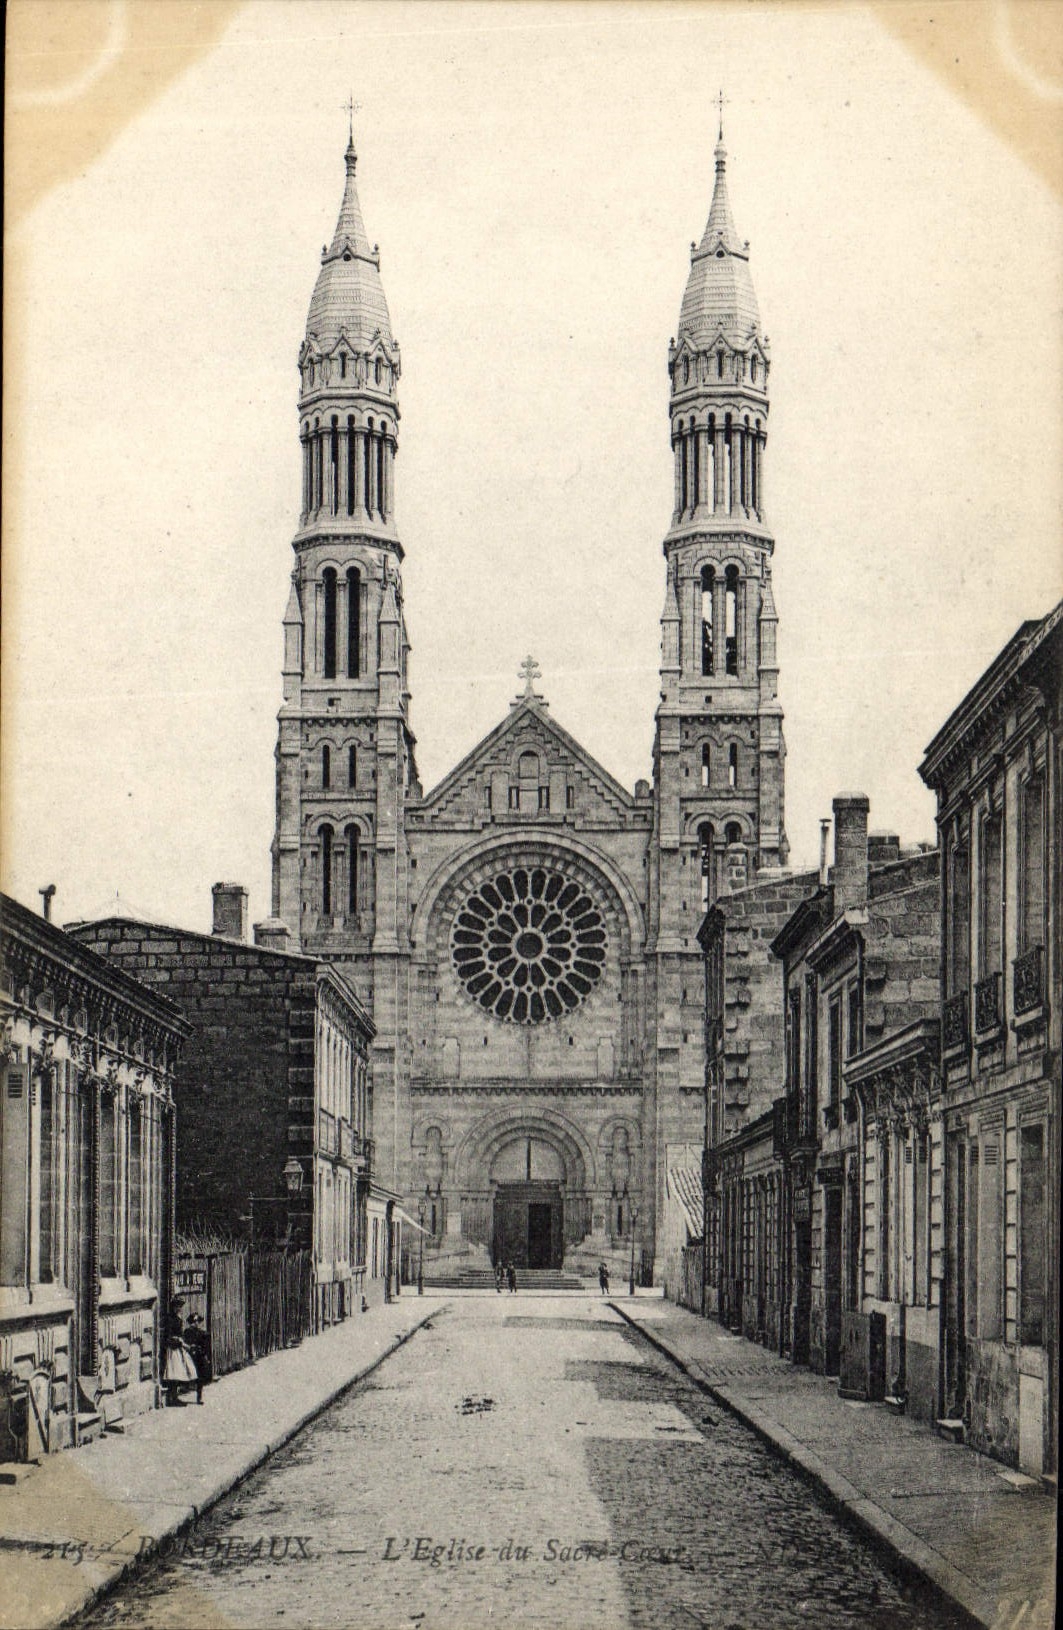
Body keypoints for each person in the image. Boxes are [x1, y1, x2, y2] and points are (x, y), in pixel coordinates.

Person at [162, 1297, 197, 1407]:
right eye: (177, 1306)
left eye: (180, 1307)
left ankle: (175, 1396)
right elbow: (169, 1335)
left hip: (178, 1347)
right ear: (173, 1307)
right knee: (174, 1372)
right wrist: (178, 1341)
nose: (179, 1308)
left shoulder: (178, 1318)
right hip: (173, 1348)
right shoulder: (170, 1319)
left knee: (179, 1372)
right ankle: (172, 1398)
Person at [183, 1311, 213, 1405]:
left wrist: (205, 1355)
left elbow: (205, 1346)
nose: (196, 1323)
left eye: (197, 1321)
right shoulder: (187, 1332)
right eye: (194, 1321)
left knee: (200, 1377)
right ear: (190, 1322)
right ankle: (184, 1390)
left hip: (199, 1356)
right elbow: (185, 1343)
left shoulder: (202, 1333)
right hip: (190, 1356)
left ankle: (198, 1397)